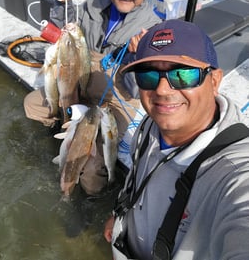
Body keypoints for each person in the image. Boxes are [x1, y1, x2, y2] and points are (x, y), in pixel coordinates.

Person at [104, 19, 249, 260]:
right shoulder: (150, 124)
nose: (161, 90)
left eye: (183, 74)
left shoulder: (233, 172)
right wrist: (120, 216)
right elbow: (136, 178)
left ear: (214, 81)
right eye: (148, 76)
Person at [24, 0, 161, 195]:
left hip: (114, 102)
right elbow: (66, 35)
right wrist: (60, 1)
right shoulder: (93, 4)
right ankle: (64, 129)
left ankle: (93, 198)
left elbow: (136, 88)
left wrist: (134, 56)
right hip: (80, 85)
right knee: (32, 104)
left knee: (89, 168)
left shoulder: (152, 29)